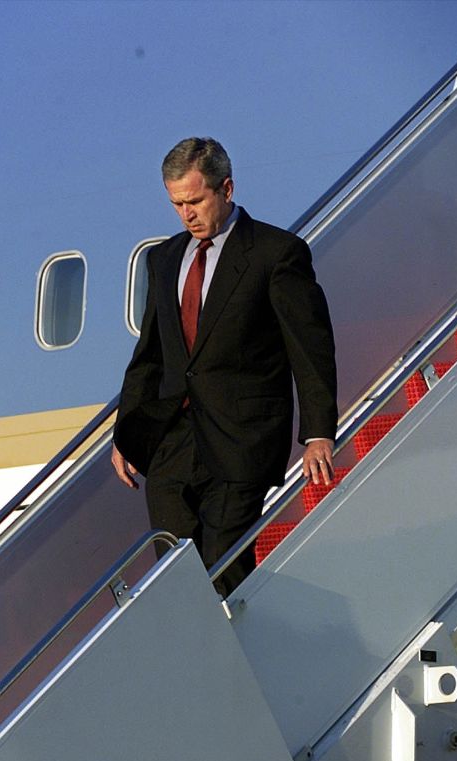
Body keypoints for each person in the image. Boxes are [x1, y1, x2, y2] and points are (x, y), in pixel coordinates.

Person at [111, 137, 337, 596]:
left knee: (223, 572)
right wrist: (127, 430)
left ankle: (238, 661)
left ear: (227, 189)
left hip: (241, 442)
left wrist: (318, 434)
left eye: (195, 201)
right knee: (174, 579)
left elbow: (309, 349)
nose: (185, 214)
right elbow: (151, 353)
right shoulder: (164, 258)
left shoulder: (277, 253)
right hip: (172, 445)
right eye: (176, 204)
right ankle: (196, 664)